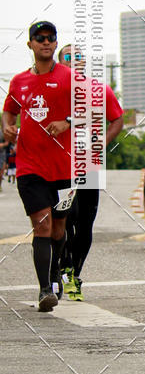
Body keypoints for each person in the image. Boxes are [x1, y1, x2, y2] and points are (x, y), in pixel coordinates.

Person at [2, 21, 75, 311]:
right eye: (39, 38)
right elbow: (9, 112)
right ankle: (45, 289)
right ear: (30, 44)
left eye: (50, 38)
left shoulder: (70, 78)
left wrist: (67, 122)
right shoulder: (19, 81)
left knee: (58, 228)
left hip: (64, 168)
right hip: (30, 166)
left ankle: (56, 271)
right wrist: (8, 127)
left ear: (56, 43)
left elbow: (92, 111)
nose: (45, 42)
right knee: (42, 225)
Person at [57, 44, 124, 301]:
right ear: (60, 62)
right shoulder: (53, 90)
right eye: (68, 56)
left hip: (89, 164)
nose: (74, 60)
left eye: (79, 56)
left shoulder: (98, 89)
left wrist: (103, 142)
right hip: (59, 166)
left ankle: (74, 273)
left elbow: (117, 119)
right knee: (66, 218)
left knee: (85, 223)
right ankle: (61, 266)